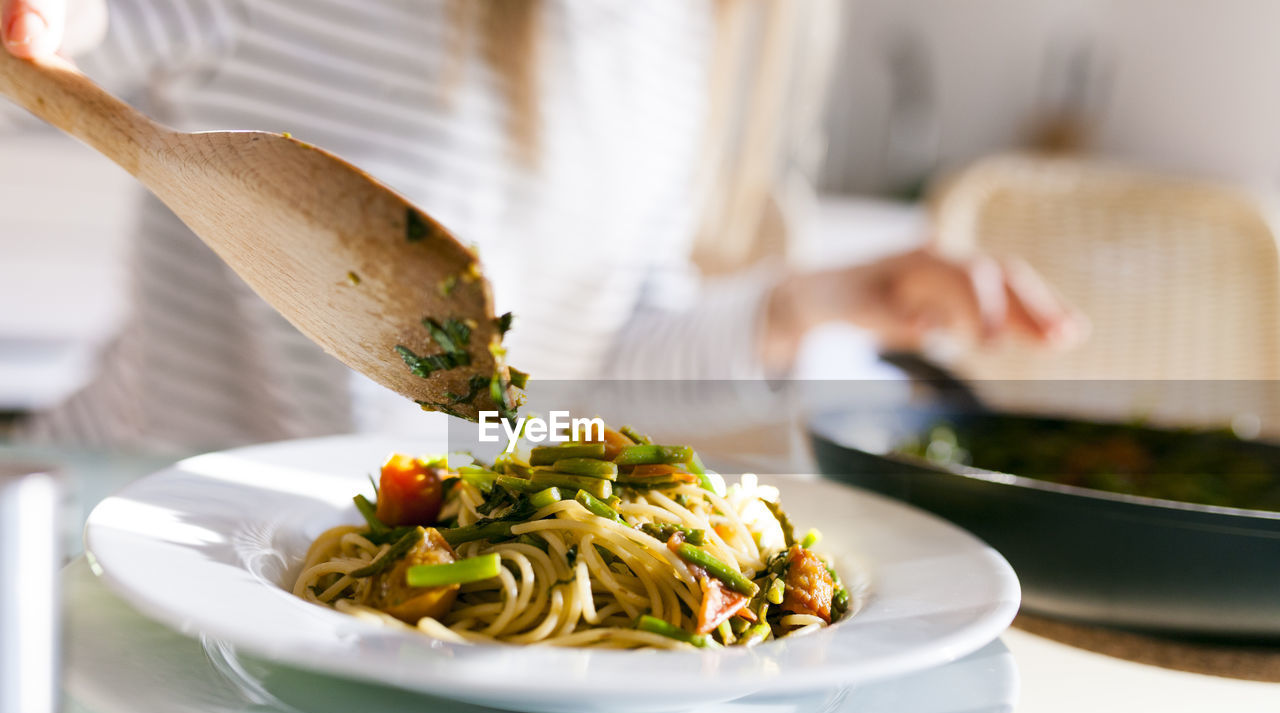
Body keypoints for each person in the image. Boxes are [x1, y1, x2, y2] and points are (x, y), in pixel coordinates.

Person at [2, 0, 1084, 449]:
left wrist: (812, 306)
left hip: (354, 608)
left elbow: (565, 372)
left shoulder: (680, 47)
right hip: (109, 544)